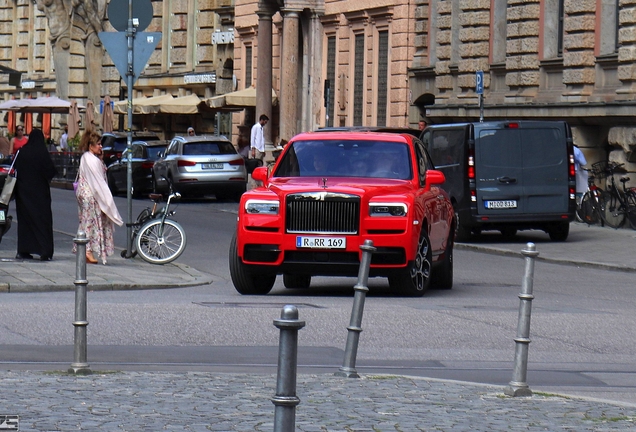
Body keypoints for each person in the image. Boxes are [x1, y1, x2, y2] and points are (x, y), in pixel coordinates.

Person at [74, 129, 123, 264]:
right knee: (91, 223)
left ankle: (85, 249)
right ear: (91, 146)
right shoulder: (92, 160)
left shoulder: (86, 158)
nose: (101, 146)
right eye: (98, 144)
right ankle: (87, 250)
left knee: (87, 222)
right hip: (90, 195)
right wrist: (108, 201)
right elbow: (98, 182)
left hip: (84, 193)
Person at [13, 129, 57, 261]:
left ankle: (24, 250)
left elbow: (15, 168)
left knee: (25, 222)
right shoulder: (42, 153)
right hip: (40, 194)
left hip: (24, 193)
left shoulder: (22, 152)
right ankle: (44, 251)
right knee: (42, 222)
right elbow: (51, 171)